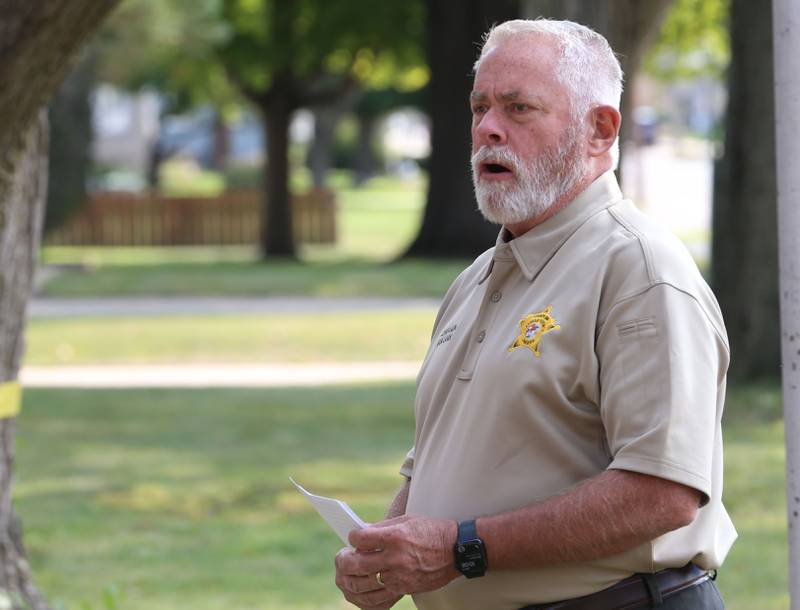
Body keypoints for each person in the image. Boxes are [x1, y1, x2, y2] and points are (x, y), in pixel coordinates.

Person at [334, 18, 736, 610]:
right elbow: (431, 467)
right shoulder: (477, 278)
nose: (488, 130)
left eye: (518, 109)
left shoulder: (640, 270)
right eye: (479, 108)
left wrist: (460, 549)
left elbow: (663, 492)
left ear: (599, 130)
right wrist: (386, 553)